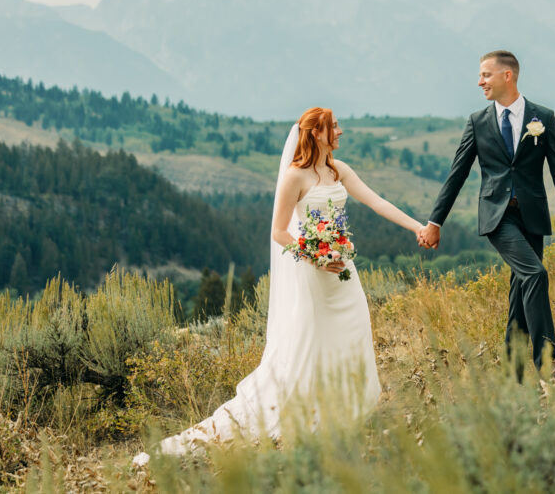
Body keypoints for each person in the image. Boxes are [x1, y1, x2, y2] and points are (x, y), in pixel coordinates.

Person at [134, 107, 424, 465]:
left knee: (354, 331)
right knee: (312, 343)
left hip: (343, 275)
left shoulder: (339, 170)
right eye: (334, 127)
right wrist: (315, 255)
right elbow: (279, 231)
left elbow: (377, 201)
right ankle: (308, 412)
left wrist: (418, 228)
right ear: (316, 132)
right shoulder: (295, 177)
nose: (341, 131)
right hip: (314, 272)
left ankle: (349, 407)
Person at [417, 50, 555, 378]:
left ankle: (512, 370)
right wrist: (435, 222)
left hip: (533, 216)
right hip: (498, 217)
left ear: (508, 75)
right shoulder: (477, 122)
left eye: (486, 75)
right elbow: (457, 174)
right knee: (535, 275)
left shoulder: (542, 118)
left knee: (522, 289)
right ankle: (547, 362)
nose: (480, 82)